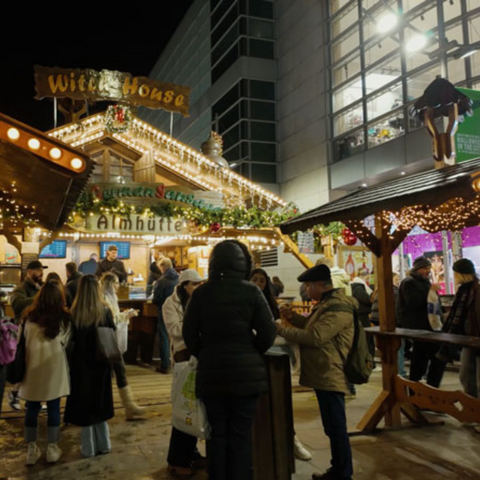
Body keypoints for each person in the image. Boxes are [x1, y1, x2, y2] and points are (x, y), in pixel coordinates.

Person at [183, 240, 276, 480]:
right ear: (243, 264)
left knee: (216, 433)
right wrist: (251, 351)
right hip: (247, 377)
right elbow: (268, 332)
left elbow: (189, 334)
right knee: (241, 435)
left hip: (212, 373)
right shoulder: (251, 291)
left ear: (213, 263)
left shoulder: (202, 292)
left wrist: (205, 353)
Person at [276, 264, 355, 480]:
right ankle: (338, 468)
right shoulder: (326, 304)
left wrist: (281, 329)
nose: (306, 290)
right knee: (332, 426)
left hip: (331, 372)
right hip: (323, 372)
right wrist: (293, 317)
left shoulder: (338, 307)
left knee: (336, 427)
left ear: (321, 285)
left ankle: (343, 473)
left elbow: (316, 337)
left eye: (309, 286)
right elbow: (312, 329)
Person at [249, 268, 312, 462]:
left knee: (280, 401)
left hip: (274, 360)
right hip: (250, 362)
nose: (258, 284)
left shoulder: (270, 304)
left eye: (262, 280)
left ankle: (290, 440)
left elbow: (275, 330)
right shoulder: (243, 301)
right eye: (255, 280)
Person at [19, 280, 71, 465]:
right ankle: (52, 447)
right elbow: (66, 342)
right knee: (54, 407)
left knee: (31, 408)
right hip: (54, 367)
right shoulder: (64, 318)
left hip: (32, 366)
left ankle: (31, 449)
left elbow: (21, 341)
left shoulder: (28, 317)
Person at [64, 275, 116, 457]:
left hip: (80, 364)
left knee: (84, 404)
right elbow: (112, 334)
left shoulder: (73, 311)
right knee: (99, 402)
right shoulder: (105, 310)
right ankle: (105, 444)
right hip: (101, 363)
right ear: (97, 290)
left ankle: (88, 448)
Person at [162, 269, 204, 476]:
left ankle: (191, 452)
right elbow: (175, 330)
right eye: (194, 284)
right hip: (183, 358)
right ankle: (178, 459)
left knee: (194, 408)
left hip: (198, 356)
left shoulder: (198, 301)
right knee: (185, 406)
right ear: (184, 285)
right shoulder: (171, 303)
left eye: (199, 284)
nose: (197, 288)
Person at [100, 272, 146, 420]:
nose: (118, 286)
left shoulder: (107, 297)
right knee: (118, 370)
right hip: (108, 340)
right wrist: (127, 315)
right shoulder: (107, 299)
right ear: (109, 284)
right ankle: (128, 406)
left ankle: (128, 407)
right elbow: (112, 319)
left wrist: (125, 314)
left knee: (117, 371)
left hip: (107, 340)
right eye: (116, 283)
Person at [397, 256, 445, 388]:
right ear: (417, 269)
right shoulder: (409, 282)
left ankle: (428, 387)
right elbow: (414, 303)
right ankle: (417, 390)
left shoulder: (424, 281)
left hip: (430, 327)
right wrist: (430, 291)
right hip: (419, 327)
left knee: (433, 358)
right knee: (421, 359)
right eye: (425, 268)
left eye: (428, 268)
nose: (428, 270)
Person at [438, 259, 480, 403]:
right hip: (467, 339)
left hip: (475, 337)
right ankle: (471, 409)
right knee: (466, 375)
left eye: (455, 273)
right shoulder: (463, 290)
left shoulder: (476, 290)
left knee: (473, 376)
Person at [9, 260, 46, 411]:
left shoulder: (40, 287)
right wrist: (39, 298)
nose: (41, 274)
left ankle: (34, 399)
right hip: (24, 332)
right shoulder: (21, 288)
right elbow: (17, 305)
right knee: (24, 365)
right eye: (38, 271)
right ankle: (15, 394)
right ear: (30, 272)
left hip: (38, 330)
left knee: (34, 366)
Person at [370, 273, 405, 375]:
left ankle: (389, 371)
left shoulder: (379, 291)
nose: (398, 281)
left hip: (380, 324)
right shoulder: (393, 291)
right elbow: (396, 309)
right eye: (396, 278)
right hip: (391, 324)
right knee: (398, 348)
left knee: (386, 349)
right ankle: (400, 372)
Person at [152, 257, 179, 374]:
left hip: (164, 310)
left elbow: (156, 299)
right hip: (178, 310)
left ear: (162, 268)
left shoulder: (161, 281)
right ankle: (177, 363)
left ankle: (164, 365)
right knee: (177, 335)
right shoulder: (180, 278)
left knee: (163, 337)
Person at [351, 268, 376, 370]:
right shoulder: (358, 287)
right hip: (362, 316)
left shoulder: (355, 286)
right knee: (367, 340)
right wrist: (372, 297)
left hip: (360, 316)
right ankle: (369, 364)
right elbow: (366, 299)